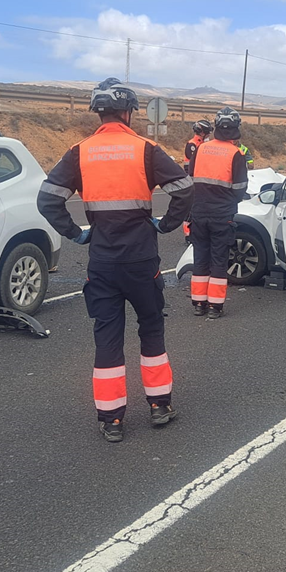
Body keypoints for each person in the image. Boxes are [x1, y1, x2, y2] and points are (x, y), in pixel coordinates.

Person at [38, 77, 194, 442]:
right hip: (142, 260)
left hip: (103, 263)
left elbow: (47, 200)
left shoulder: (80, 151)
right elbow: (185, 190)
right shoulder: (145, 149)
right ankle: (159, 406)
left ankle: (112, 419)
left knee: (107, 338)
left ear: (98, 112)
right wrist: (166, 224)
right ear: (128, 112)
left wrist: (77, 233)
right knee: (151, 329)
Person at [187, 109, 249, 319]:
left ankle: (199, 303)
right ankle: (215, 306)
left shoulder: (202, 148)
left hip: (199, 211)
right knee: (219, 260)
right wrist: (230, 202)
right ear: (235, 129)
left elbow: (191, 179)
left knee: (200, 257)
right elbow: (240, 188)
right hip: (222, 215)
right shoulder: (236, 154)